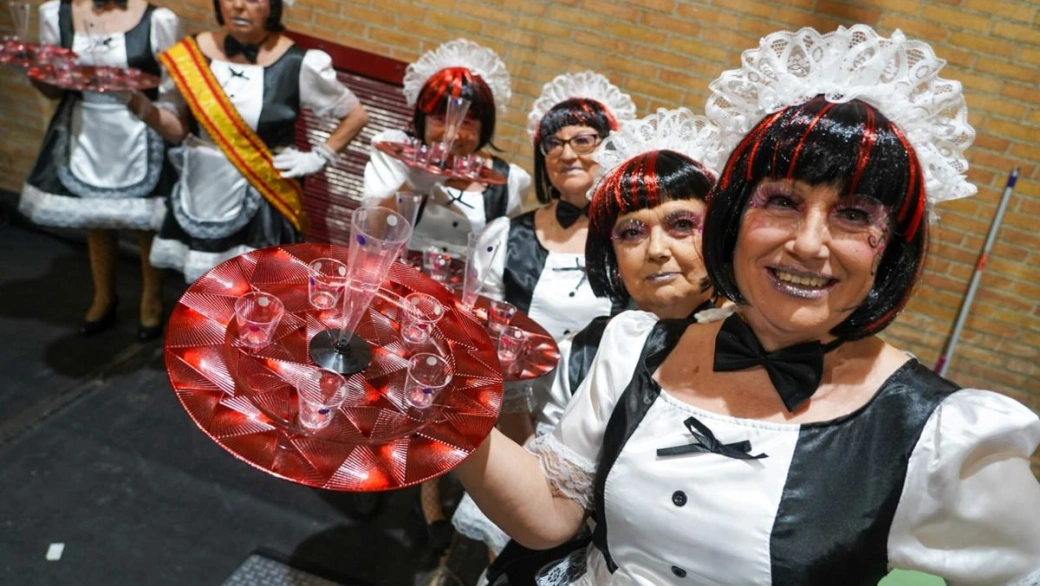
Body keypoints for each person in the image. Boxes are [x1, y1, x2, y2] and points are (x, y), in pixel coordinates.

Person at [456, 26, 1040, 586]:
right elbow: (553, 516)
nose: (810, 244)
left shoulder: (944, 438)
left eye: (855, 213)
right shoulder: (634, 347)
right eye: (783, 201)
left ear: (889, 251)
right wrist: (437, 409)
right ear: (733, 219)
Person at [455, 108, 726, 585]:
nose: (657, 249)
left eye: (682, 223)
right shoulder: (599, 346)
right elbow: (553, 503)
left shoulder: (762, 344)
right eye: (632, 231)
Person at [135, 0, 369, 283]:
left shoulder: (300, 63)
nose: (239, 6)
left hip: (264, 194)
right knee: (195, 288)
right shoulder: (190, 55)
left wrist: (319, 156)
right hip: (200, 186)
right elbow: (177, 131)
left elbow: (355, 115)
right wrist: (135, 103)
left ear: (273, 7)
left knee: (252, 288)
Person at [19, 0, 182, 340]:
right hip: (84, 128)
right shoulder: (56, 14)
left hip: (141, 129)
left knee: (147, 223)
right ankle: (103, 296)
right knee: (94, 216)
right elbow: (53, 89)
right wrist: (32, 67)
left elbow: (172, 91)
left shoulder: (159, 20)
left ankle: (151, 299)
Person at [471, 71, 637, 343]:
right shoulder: (503, 236)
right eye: (554, 143)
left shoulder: (632, 238)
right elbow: (479, 323)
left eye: (583, 140)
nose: (568, 154)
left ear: (611, 149)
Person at [362, 38, 529, 258]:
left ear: (484, 127)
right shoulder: (396, 153)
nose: (451, 135)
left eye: (467, 122)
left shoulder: (510, 180)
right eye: (440, 118)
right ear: (423, 119)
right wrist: (411, 185)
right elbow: (370, 235)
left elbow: (497, 258)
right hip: (395, 282)